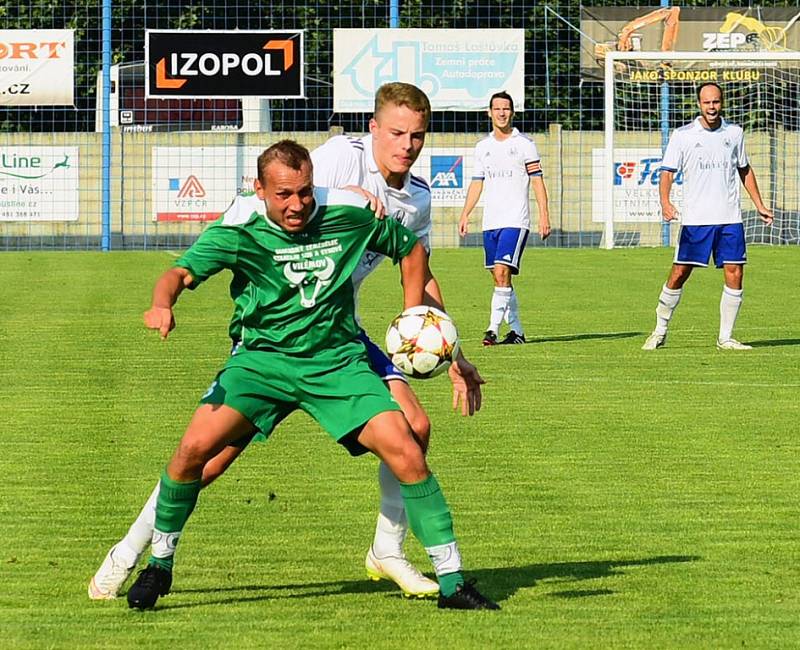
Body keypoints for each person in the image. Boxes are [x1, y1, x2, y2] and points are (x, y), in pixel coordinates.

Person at [89, 83, 484, 603]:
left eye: (417, 135)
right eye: (396, 133)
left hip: (338, 335)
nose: (406, 145)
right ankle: (133, 549)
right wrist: (333, 197)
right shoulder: (340, 160)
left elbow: (420, 269)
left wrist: (443, 345)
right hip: (271, 341)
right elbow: (283, 182)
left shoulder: (418, 199)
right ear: (373, 128)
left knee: (414, 428)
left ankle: (388, 551)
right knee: (207, 460)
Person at [641, 82, 773, 351]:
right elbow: (667, 173)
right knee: (679, 273)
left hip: (729, 218)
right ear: (699, 104)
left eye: (716, 102)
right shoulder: (683, 135)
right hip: (696, 220)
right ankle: (659, 329)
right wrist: (665, 203)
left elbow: (744, 169)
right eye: (706, 102)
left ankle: (725, 337)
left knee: (735, 272)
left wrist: (759, 203)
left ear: (721, 102)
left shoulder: (734, 133)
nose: (712, 107)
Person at [458, 90, 551, 346]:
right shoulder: (482, 147)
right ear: (489, 112)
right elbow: (477, 183)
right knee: (500, 278)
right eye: (497, 108)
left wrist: (544, 214)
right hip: (491, 222)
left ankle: (492, 329)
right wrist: (466, 213)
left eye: (506, 108)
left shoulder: (524, 144)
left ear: (512, 112)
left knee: (501, 271)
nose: (501, 113)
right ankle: (517, 332)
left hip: (516, 220)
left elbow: (537, 181)